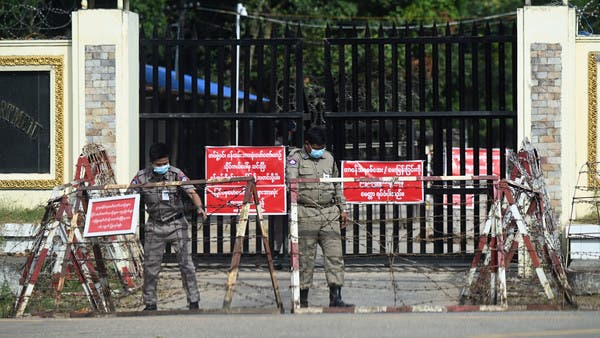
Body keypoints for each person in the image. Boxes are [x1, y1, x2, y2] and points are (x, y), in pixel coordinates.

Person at [129, 142, 206, 311]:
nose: (163, 167)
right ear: (152, 163)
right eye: (159, 165)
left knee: (187, 265)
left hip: (177, 224)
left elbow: (191, 191)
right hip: (154, 225)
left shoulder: (176, 174)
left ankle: (193, 301)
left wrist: (199, 207)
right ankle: (150, 303)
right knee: (150, 267)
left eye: (165, 163)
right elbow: (128, 197)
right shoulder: (142, 177)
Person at [285, 126, 353, 308]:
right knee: (306, 258)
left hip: (329, 212)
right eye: (316, 146)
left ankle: (336, 297)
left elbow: (337, 184)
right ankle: (303, 298)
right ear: (307, 145)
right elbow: (291, 184)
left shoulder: (329, 158)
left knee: (335, 256)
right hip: (306, 212)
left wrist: (343, 208)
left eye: (322, 146)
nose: (319, 150)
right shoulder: (295, 159)